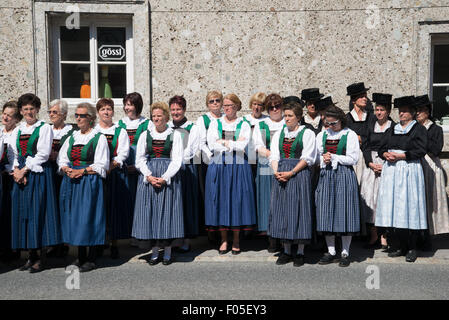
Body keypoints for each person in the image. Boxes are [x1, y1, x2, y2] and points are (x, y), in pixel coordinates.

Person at [10, 93, 61, 273]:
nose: (29, 112)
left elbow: (43, 153)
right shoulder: (18, 129)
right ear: (21, 111)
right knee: (24, 214)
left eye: (32, 108)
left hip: (38, 173)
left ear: (37, 109)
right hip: (21, 174)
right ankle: (30, 256)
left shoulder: (44, 128)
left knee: (39, 213)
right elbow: (15, 154)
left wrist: (25, 169)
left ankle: (41, 257)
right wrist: (16, 170)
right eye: (25, 109)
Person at [375, 96, 428, 263]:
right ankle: (400, 245)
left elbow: (421, 150)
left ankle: (412, 247)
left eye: (405, 111)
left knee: (409, 207)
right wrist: (385, 154)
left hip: (408, 170)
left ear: (412, 113)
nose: (402, 114)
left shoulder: (418, 129)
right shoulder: (393, 129)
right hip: (392, 171)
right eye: (400, 111)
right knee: (395, 208)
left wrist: (401, 155)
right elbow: (381, 147)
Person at [58, 103, 109, 272]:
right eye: (77, 116)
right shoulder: (72, 137)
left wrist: (82, 171)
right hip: (72, 181)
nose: (78, 119)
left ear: (91, 118)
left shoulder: (98, 137)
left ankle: (92, 257)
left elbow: (102, 164)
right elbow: (63, 158)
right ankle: (80, 256)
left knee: (89, 217)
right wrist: (66, 168)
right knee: (75, 218)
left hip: (89, 181)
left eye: (82, 116)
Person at [132, 102, 184, 265]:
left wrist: (165, 177)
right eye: (154, 116)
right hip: (149, 176)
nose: (156, 118)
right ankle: (154, 252)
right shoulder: (145, 135)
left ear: (166, 117)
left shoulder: (174, 135)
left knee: (168, 213)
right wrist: (148, 176)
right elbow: (139, 159)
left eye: (159, 115)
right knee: (151, 213)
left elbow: (177, 160)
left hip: (168, 177)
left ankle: (167, 252)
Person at [205, 93, 256, 255]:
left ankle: (236, 239)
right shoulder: (215, 123)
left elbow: (243, 146)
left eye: (230, 105)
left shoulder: (244, 124)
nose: (227, 108)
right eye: (225, 105)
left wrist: (225, 142)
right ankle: (224, 239)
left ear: (237, 106)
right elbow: (213, 145)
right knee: (220, 199)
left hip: (238, 165)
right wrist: (232, 143)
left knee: (236, 201)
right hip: (219, 165)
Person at [268, 101, 316, 266]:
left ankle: (300, 252)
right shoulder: (280, 133)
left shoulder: (307, 133)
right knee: (283, 210)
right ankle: (286, 250)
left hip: (298, 174)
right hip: (281, 173)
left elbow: (308, 157)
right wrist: (276, 171)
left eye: (290, 116)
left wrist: (291, 172)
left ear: (299, 117)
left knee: (299, 210)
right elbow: (274, 155)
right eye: (285, 115)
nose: (286, 119)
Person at [315, 105, 361, 267]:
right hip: (326, 175)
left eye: (333, 123)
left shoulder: (349, 135)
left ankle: (345, 251)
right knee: (326, 211)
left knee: (344, 211)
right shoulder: (322, 135)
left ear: (341, 121)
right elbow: (315, 156)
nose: (330, 126)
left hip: (343, 175)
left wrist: (334, 157)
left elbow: (353, 158)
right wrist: (323, 159)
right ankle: (331, 250)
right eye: (328, 123)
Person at [95, 98, 131, 259]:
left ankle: (114, 243)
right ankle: (101, 241)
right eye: (103, 109)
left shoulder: (120, 131)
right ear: (98, 113)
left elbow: (123, 152)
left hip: (115, 173)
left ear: (113, 112)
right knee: (100, 209)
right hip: (97, 174)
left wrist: (111, 166)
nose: (106, 112)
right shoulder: (94, 131)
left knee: (114, 208)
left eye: (109, 109)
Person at [360, 93, 395, 249]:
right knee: (370, 200)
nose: (378, 112)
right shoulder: (371, 124)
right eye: (377, 109)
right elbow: (365, 145)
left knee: (384, 200)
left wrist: (385, 165)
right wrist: (370, 163)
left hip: (387, 164)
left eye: (381, 110)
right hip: (372, 164)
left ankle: (384, 236)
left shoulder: (393, 126)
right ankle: (373, 235)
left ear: (388, 111)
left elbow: (394, 146)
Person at [415, 94, 449, 248]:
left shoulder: (436, 129)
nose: (417, 113)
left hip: (430, 166)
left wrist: (421, 137)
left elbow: (435, 149)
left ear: (427, 112)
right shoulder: (413, 128)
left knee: (430, 201)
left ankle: (428, 236)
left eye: (420, 110)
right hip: (416, 164)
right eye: (416, 110)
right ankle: (417, 235)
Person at [118, 92, 152, 245]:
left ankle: (141, 234)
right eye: (126, 104)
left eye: (130, 104)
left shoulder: (147, 123)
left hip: (141, 163)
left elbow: (149, 147)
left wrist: (138, 166)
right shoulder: (120, 123)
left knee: (140, 200)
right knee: (126, 199)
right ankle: (128, 233)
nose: (127, 107)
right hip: (124, 163)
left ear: (137, 106)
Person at [252, 93, 284, 250]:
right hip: (266, 164)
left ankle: (284, 234)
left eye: (277, 106)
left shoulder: (287, 122)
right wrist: (273, 155)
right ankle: (271, 236)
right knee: (267, 200)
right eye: (271, 107)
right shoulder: (261, 125)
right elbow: (257, 146)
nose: (275, 109)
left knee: (283, 199)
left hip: (285, 165)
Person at [168, 95, 200, 252]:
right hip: (170, 171)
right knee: (173, 205)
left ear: (184, 109)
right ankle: (174, 237)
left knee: (186, 204)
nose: (175, 112)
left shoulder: (192, 127)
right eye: (173, 109)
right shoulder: (166, 127)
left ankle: (186, 239)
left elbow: (191, 150)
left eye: (178, 109)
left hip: (185, 169)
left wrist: (176, 161)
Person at [47, 99, 74, 258]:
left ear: (64, 114)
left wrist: (58, 156)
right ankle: (52, 242)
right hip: (47, 172)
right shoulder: (47, 129)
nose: (51, 115)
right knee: (51, 207)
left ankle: (64, 243)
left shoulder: (71, 131)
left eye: (54, 112)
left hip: (62, 173)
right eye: (49, 112)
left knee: (63, 206)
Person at [196, 91, 223, 243]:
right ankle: (212, 232)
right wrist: (212, 157)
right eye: (211, 101)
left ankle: (224, 229)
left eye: (217, 100)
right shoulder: (203, 120)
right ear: (207, 104)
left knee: (222, 196)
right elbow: (201, 142)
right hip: (208, 162)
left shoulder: (226, 118)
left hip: (225, 162)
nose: (214, 103)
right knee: (210, 197)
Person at [0, 101, 22, 263]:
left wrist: (11, 169)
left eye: (10, 115)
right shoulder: (1, 131)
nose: (5, 117)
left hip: (12, 174)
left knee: (12, 213)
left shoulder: (17, 133)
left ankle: (14, 248)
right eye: (4, 113)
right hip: (2, 175)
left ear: (16, 119)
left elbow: (16, 156)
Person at [346, 82, 376, 182]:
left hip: (369, 156)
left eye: (365, 96)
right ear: (354, 100)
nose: (365, 99)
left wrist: (361, 138)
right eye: (362, 97)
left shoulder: (372, 118)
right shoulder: (346, 119)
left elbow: (374, 136)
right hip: (353, 158)